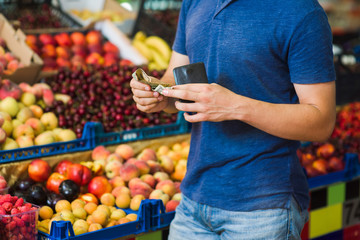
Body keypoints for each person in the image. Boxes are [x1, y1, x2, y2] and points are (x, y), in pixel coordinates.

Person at [130, 0, 336, 239]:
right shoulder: (194, 3)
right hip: (193, 200)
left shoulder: (301, 12)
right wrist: (158, 95)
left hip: (262, 209)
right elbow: (175, 79)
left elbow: (321, 122)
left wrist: (236, 107)